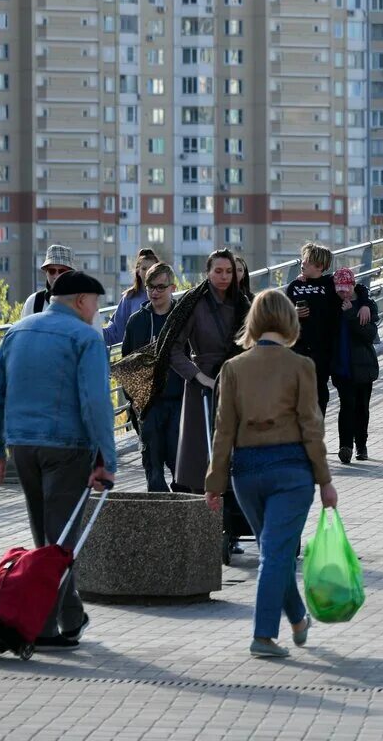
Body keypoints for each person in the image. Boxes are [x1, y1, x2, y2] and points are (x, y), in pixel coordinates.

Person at [0, 271, 116, 649]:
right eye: (94, 303)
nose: (96, 312)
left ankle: (69, 617)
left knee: (47, 538)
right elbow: (95, 402)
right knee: (60, 541)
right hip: (68, 448)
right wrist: (107, 459)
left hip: (21, 446)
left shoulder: (17, 331)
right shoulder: (85, 338)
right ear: (79, 301)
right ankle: (37, 627)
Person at [204, 288, 337, 659]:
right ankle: (263, 636)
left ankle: (297, 620)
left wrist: (214, 484)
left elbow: (223, 431)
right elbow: (313, 428)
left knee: (272, 552)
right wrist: (325, 480)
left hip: (246, 472)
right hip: (291, 471)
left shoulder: (233, 368)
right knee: (275, 554)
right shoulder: (301, 366)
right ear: (290, 320)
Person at [164, 248, 251, 556]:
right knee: (202, 459)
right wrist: (198, 377)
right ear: (208, 272)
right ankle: (206, 530)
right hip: (202, 385)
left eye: (229, 271)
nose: (224, 277)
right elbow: (172, 348)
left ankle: (233, 527)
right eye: (218, 271)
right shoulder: (193, 303)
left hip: (236, 383)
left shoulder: (243, 303)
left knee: (235, 457)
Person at [121, 262, 182, 492]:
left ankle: (182, 516)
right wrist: (133, 399)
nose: (154, 292)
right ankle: (158, 518)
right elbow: (126, 364)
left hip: (178, 401)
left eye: (160, 287)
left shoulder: (182, 319)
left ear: (172, 288)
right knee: (153, 468)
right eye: (150, 287)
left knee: (181, 465)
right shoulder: (137, 321)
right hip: (148, 405)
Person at [330, 268, 379, 464]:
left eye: (347, 289)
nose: (344, 294)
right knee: (347, 405)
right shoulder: (333, 304)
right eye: (340, 290)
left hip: (363, 365)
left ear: (353, 285)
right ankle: (345, 446)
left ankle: (361, 445)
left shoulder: (366, 306)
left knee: (362, 407)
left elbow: (368, 335)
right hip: (342, 366)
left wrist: (352, 313)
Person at [285, 243, 338, 413]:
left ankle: (317, 428)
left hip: (322, 348)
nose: (302, 263)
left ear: (319, 266)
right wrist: (294, 313)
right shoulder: (294, 286)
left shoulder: (330, 284)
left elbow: (355, 288)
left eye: (307, 261)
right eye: (303, 260)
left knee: (319, 389)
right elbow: (283, 314)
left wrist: (365, 303)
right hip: (298, 347)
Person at [103, 248, 160, 345]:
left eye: (151, 269)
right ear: (138, 271)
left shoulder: (165, 295)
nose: (148, 273)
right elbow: (116, 331)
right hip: (136, 355)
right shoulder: (129, 298)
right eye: (144, 268)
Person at [22, 245, 76, 317]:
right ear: (46, 272)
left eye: (62, 271)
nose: (56, 276)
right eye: (52, 271)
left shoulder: (81, 303)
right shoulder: (33, 302)